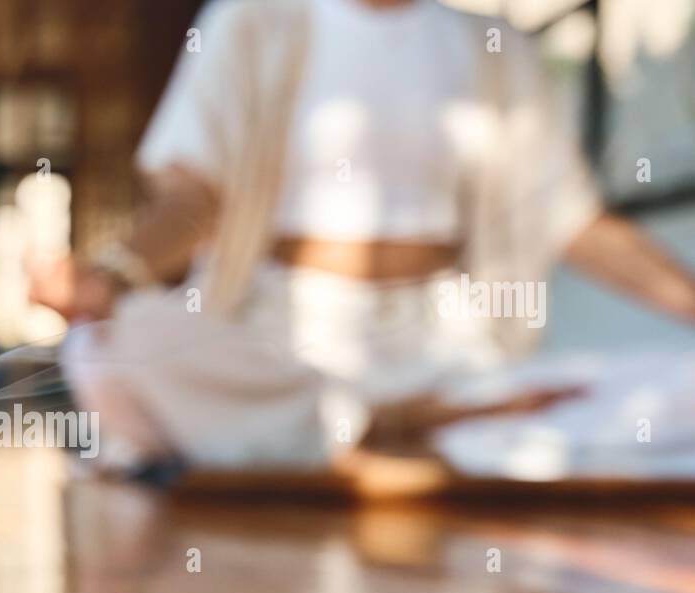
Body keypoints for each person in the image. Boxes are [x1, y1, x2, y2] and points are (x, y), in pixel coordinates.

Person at [35, 0, 695, 478]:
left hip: (446, 343)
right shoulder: (249, 23)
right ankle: (409, 427)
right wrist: (112, 276)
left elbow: (572, 219)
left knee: (677, 387)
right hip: (275, 339)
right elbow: (193, 197)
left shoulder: (497, 49)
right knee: (104, 349)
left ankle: (342, 436)